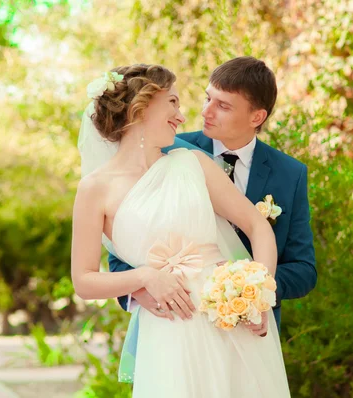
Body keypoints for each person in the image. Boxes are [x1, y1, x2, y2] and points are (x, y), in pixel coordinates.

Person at [72, 64, 291, 397]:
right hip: (169, 328)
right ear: (141, 107)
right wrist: (144, 277)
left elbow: (257, 226)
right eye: (172, 102)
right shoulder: (94, 189)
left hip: (229, 318)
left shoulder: (193, 163)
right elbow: (84, 280)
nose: (181, 113)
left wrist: (258, 296)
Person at [109, 56, 317, 331]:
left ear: (257, 116)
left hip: (251, 328)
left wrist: (254, 292)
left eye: (223, 106)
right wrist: (137, 288)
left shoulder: (289, 174)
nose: (206, 111)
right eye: (208, 99)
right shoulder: (167, 149)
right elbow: (124, 242)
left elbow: (304, 269)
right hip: (179, 321)